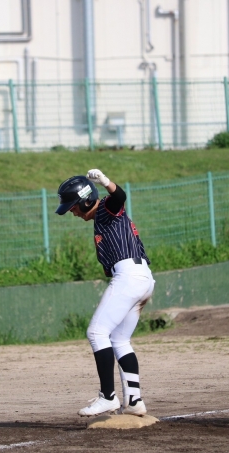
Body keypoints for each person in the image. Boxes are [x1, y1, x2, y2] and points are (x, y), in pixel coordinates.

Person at [55, 169, 155, 417]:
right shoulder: (101, 217)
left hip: (129, 277)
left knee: (96, 332)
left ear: (86, 200)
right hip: (142, 277)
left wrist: (105, 181)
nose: (73, 212)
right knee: (119, 340)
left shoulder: (104, 211)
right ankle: (133, 400)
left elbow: (119, 197)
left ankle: (108, 397)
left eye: (74, 207)